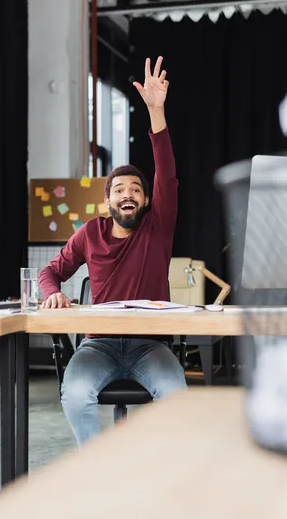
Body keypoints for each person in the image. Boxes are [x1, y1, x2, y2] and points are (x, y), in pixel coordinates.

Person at [39, 56, 187, 445]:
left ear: (146, 201)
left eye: (136, 190)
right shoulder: (90, 232)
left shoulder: (158, 227)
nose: (128, 195)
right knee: (74, 394)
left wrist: (156, 112)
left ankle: (161, 475)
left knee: (177, 398)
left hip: (150, 344)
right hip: (98, 344)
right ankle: (99, 470)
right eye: (119, 190)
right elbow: (49, 272)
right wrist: (52, 293)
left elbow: (166, 173)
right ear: (108, 201)